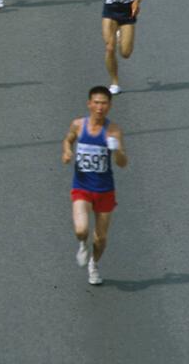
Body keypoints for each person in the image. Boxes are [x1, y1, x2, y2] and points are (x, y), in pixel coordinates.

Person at [62, 86, 127, 285]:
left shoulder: (113, 130)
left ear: (109, 106)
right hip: (81, 187)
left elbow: (123, 163)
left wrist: (116, 150)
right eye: (96, 103)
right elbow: (68, 140)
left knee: (100, 238)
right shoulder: (78, 125)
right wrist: (66, 152)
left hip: (105, 190)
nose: (100, 107)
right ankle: (82, 244)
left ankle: (94, 264)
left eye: (104, 103)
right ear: (89, 104)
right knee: (82, 230)